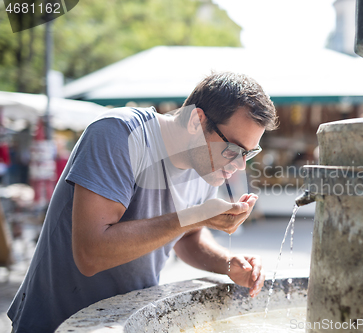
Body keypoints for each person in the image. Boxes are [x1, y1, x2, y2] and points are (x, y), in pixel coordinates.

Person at [8, 72, 278, 333]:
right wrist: (194, 216)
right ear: (196, 122)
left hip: (125, 322)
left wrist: (230, 263)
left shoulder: (205, 166)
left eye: (250, 153)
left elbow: (187, 238)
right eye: (235, 149)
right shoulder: (119, 133)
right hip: (56, 323)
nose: (241, 165)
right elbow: (90, 254)